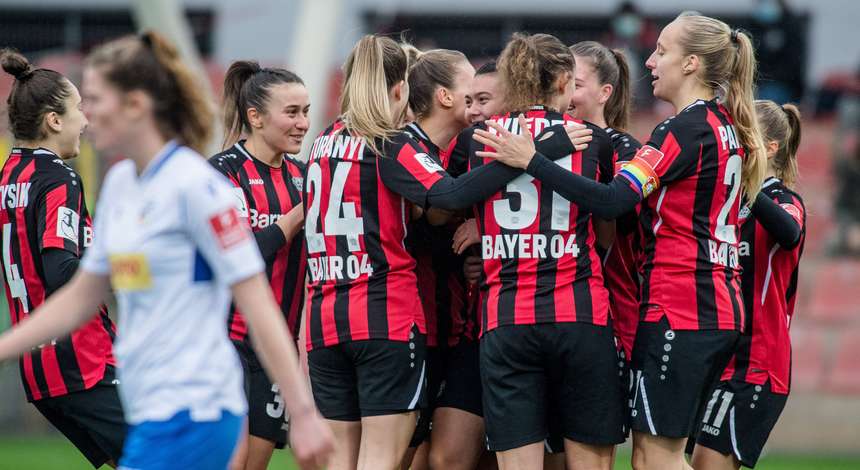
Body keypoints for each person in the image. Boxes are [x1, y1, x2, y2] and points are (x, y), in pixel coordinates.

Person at [0, 31, 333, 470]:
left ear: (137, 105)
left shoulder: (196, 187)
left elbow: (257, 304)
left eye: (95, 100)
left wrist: (304, 413)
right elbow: (79, 296)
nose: (87, 116)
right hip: (151, 405)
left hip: (196, 409)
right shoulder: (121, 186)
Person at [475, 13, 768, 470]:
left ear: (691, 63)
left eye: (662, 51)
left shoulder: (683, 129)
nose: (650, 61)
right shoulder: (722, 124)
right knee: (653, 456)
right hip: (714, 303)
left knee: (656, 459)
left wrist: (533, 160)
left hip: (684, 306)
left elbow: (614, 200)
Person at [304, 34, 579, 470]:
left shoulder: (323, 142)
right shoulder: (388, 142)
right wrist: (534, 155)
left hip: (325, 318)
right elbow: (448, 195)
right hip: (381, 312)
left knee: (340, 460)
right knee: (380, 457)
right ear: (399, 90)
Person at [467, 32, 626, 470]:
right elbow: (607, 231)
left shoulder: (480, 140)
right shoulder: (593, 140)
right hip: (580, 315)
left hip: (506, 319)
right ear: (560, 81)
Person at [0, 49, 126, 469]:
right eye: (77, 109)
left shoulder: (9, 176)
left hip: (39, 369)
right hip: (81, 361)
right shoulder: (58, 177)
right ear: (54, 120)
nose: (86, 120)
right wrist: (137, 269)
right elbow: (62, 272)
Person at [691, 101, 805, 470]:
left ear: (770, 148)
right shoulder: (723, 205)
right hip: (715, 355)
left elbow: (790, 233)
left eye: (744, 136)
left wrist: (747, 186)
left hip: (754, 362)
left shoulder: (783, 201)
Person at [209, 60, 309, 470]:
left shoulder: (306, 176)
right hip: (227, 340)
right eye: (292, 112)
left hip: (277, 346)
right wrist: (293, 220)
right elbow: (232, 254)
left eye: (305, 111)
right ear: (255, 116)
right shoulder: (221, 172)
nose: (303, 122)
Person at [567, 40, 641, 379]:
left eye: (577, 85)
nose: (566, 92)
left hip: (612, 307)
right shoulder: (542, 141)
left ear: (605, 92)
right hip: (553, 311)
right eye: (562, 81)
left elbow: (619, 221)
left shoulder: (625, 148)